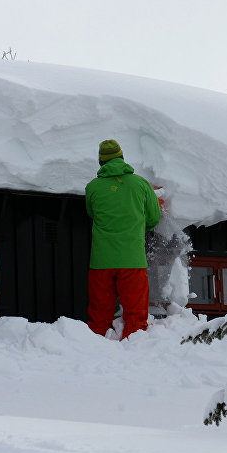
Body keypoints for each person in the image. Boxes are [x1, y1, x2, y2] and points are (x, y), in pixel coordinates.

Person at [85, 139, 161, 340]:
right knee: (136, 315)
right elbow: (154, 217)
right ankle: (133, 349)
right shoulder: (141, 184)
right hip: (132, 260)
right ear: (122, 157)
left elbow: (92, 213)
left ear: (101, 162)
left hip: (101, 261)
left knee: (99, 316)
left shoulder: (93, 187)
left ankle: (92, 350)